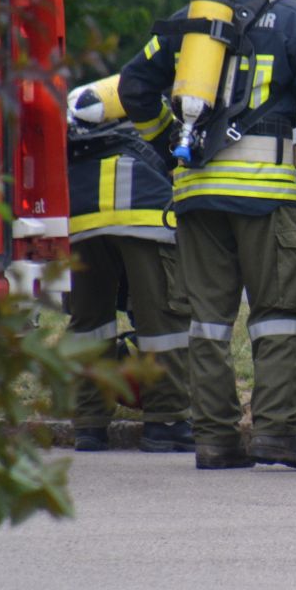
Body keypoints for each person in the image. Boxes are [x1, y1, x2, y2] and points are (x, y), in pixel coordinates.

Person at [118, 0, 296, 471]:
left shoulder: (192, 20)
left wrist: (169, 148)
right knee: (278, 315)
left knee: (208, 321)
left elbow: (133, 87)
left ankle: (215, 439)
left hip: (196, 193)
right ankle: (276, 433)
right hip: (266, 194)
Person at [65, 119, 195, 454]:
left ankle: (89, 425)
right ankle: (166, 423)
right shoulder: (163, 111)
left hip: (81, 208)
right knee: (162, 322)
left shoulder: (84, 112)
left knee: (89, 325)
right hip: (144, 211)